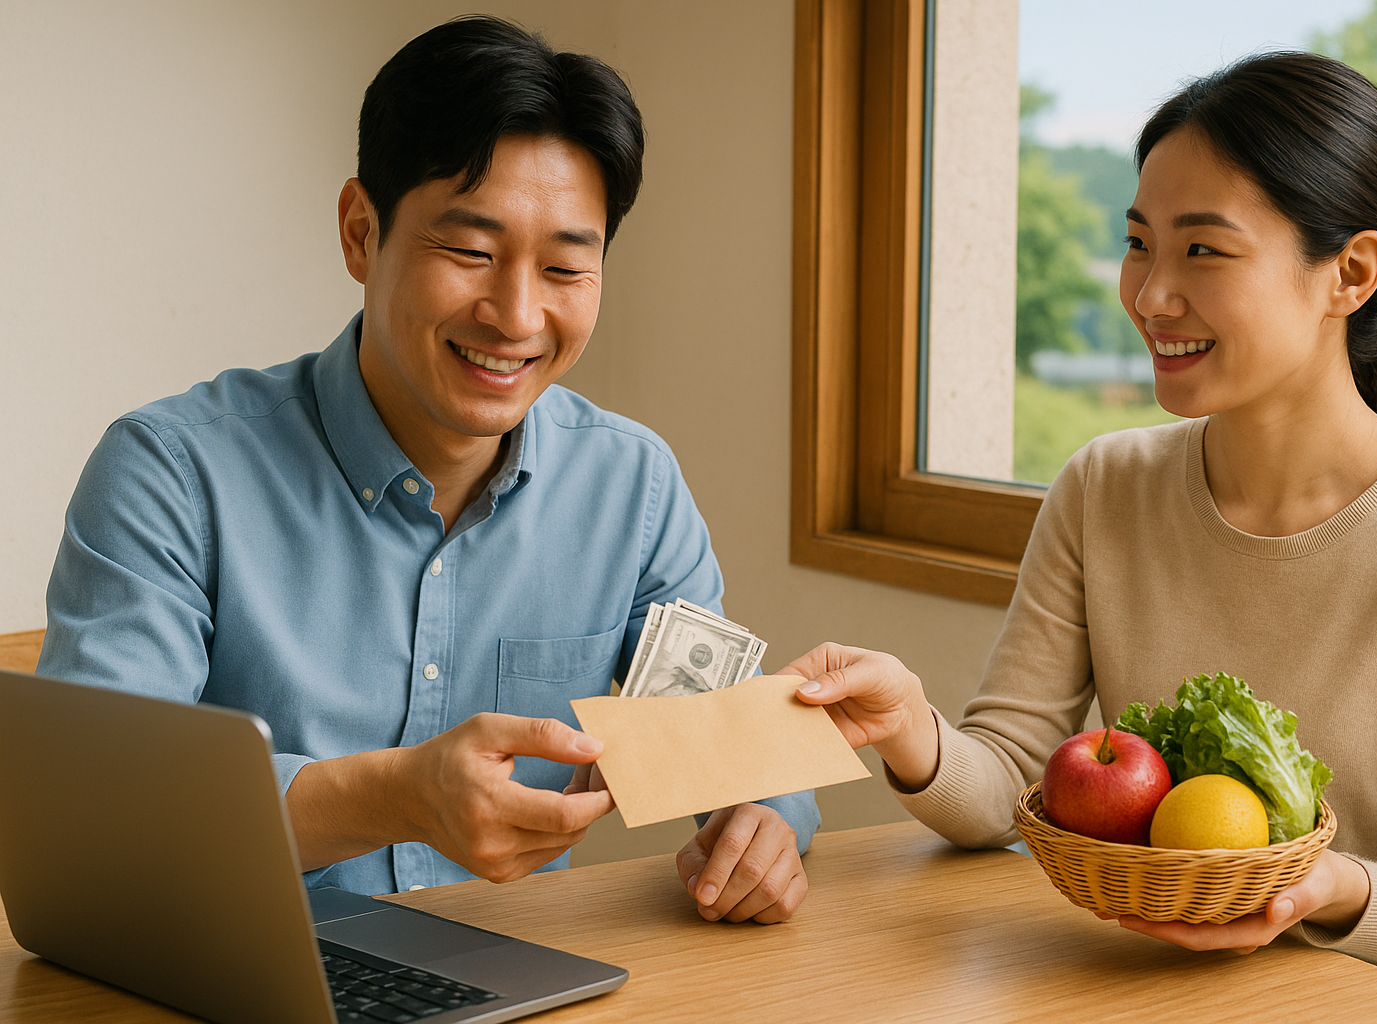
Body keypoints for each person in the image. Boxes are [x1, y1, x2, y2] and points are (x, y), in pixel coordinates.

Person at [785, 51, 1377, 1012]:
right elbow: (1010, 780)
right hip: (1169, 992)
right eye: (1139, 243)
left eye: (1203, 251)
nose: (1150, 296)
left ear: (1349, 273)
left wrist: (1320, 888)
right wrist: (908, 730)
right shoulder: (1105, 488)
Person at [36, 16, 816, 925]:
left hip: (516, 971)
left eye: (565, 266)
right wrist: (397, 798)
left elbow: (733, 751)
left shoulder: (630, 488)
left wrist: (763, 821)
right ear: (360, 232)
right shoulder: (170, 474)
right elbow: (94, 814)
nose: (516, 316)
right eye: (471, 253)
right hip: (233, 968)